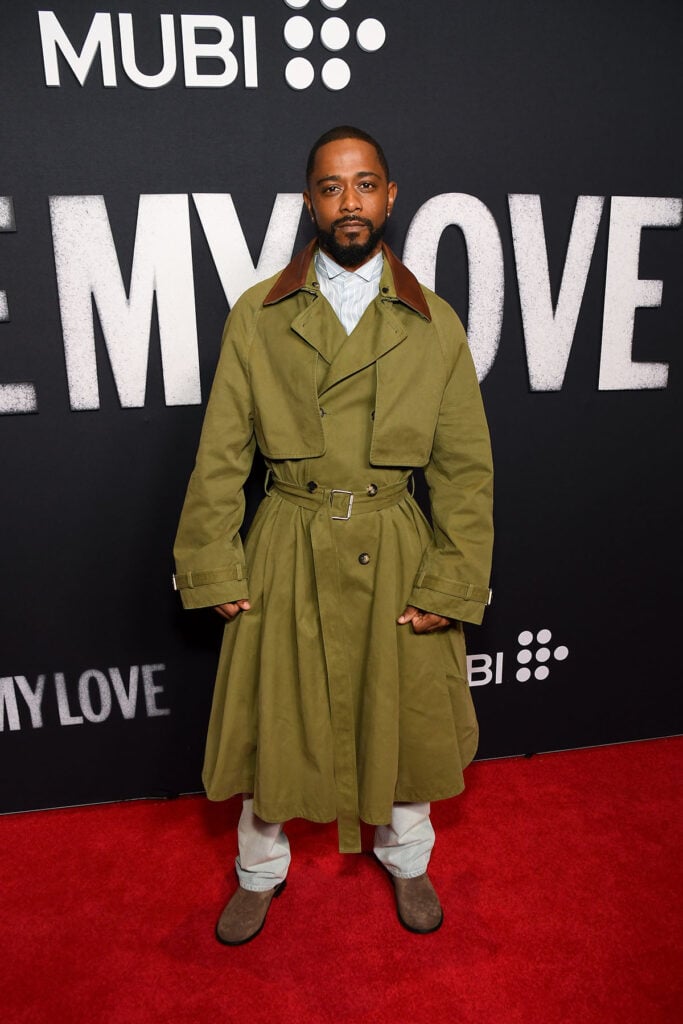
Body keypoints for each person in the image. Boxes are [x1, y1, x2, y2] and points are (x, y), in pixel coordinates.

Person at [173, 126, 493, 945]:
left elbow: (464, 468)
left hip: (396, 544)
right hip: (288, 539)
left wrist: (452, 580)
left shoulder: (434, 321)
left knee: (405, 719)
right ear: (309, 202)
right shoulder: (258, 314)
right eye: (330, 186)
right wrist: (213, 562)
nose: (349, 201)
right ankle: (258, 871)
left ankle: (407, 858)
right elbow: (221, 453)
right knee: (270, 721)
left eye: (364, 184)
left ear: (389, 197)